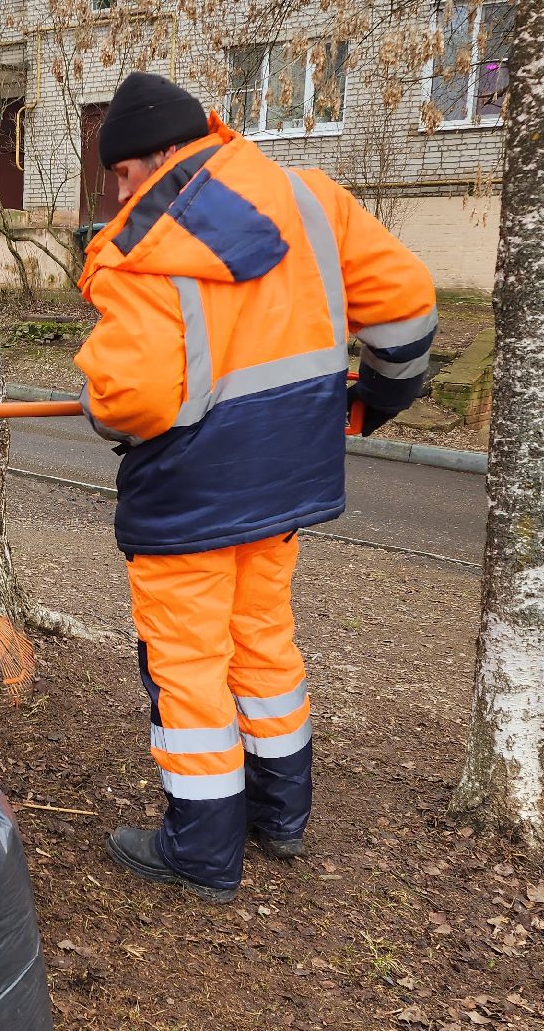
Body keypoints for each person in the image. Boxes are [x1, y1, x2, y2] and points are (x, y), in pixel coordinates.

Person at [76, 72, 437, 903]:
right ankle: (280, 820)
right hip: (287, 483)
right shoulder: (312, 200)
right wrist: (375, 402)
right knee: (262, 641)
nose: (120, 195)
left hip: (189, 498)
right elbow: (409, 309)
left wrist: (99, 397)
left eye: (122, 175)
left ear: (158, 155)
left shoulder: (143, 251)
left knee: (188, 665)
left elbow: (128, 399)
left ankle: (201, 852)